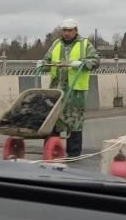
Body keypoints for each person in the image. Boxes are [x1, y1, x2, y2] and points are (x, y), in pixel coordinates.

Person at [41, 18, 100, 157]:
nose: (67, 33)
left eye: (70, 30)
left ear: (75, 31)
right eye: (64, 30)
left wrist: (82, 63)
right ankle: (51, 149)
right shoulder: (56, 43)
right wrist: (42, 63)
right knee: (53, 117)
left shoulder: (84, 44)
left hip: (75, 90)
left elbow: (96, 61)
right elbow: (47, 60)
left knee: (74, 120)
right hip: (57, 88)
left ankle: (73, 153)